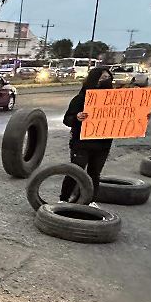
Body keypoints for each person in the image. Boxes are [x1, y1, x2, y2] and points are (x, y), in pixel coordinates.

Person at [60, 66, 115, 203]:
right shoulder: (80, 98)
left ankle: (90, 201)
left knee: (94, 174)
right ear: (94, 80)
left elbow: (126, 116)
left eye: (108, 78)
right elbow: (67, 119)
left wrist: (143, 116)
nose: (106, 81)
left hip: (103, 143)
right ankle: (64, 200)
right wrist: (76, 117)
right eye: (102, 78)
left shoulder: (115, 100)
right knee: (75, 172)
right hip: (82, 143)